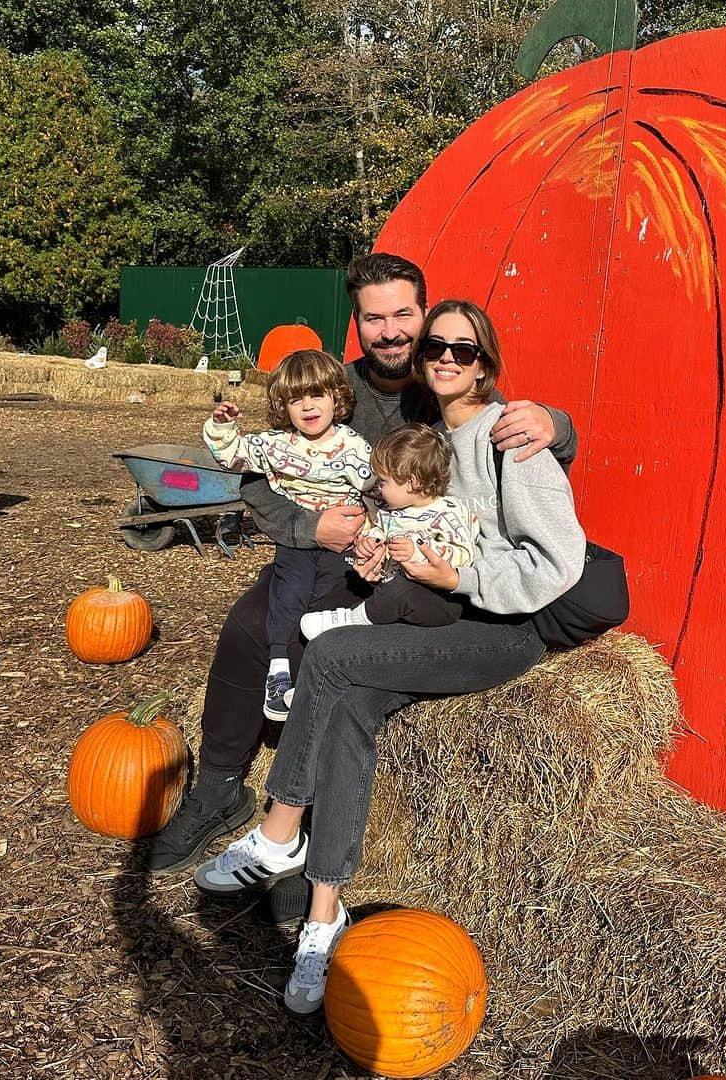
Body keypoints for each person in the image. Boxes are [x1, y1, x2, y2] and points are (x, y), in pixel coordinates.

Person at [193, 298, 586, 1015]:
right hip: (429, 617)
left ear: (486, 364)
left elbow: (557, 563)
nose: (443, 357)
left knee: (333, 649)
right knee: (347, 705)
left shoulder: (514, 441)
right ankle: (323, 917)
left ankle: (278, 832)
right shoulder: (429, 439)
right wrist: (382, 559)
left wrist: (457, 577)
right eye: (436, 344)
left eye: (463, 351)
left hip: (500, 630)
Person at [141, 253, 577, 876]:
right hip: (321, 550)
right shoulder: (328, 384)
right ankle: (219, 787)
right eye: (375, 318)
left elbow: (519, 446)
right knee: (246, 628)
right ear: (357, 322)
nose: (392, 331)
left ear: (424, 316)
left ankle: (306, 831)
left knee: (333, 651)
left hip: (405, 570)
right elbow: (265, 473)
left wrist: (556, 423)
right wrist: (307, 525)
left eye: (404, 314)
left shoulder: (447, 381)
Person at [203, 349, 374, 719]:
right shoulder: (277, 444)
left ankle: (316, 676)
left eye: (317, 396)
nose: (308, 407)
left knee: (326, 599)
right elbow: (232, 456)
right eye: (296, 399)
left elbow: (376, 493)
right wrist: (222, 426)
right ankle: (279, 671)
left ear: (336, 398)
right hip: (298, 539)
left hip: (341, 540)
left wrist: (372, 533)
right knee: (289, 592)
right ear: (284, 406)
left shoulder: (355, 448)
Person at [300, 422, 478, 638]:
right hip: (387, 589)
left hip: (440, 599)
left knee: (399, 591)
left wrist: (418, 552)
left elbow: (464, 555)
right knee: (360, 584)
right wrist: (369, 543)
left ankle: (353, 621)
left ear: (412, 483)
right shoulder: (391, 512)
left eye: (383, 481)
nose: (378, 487)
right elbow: (379, 533)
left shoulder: (447, 514)